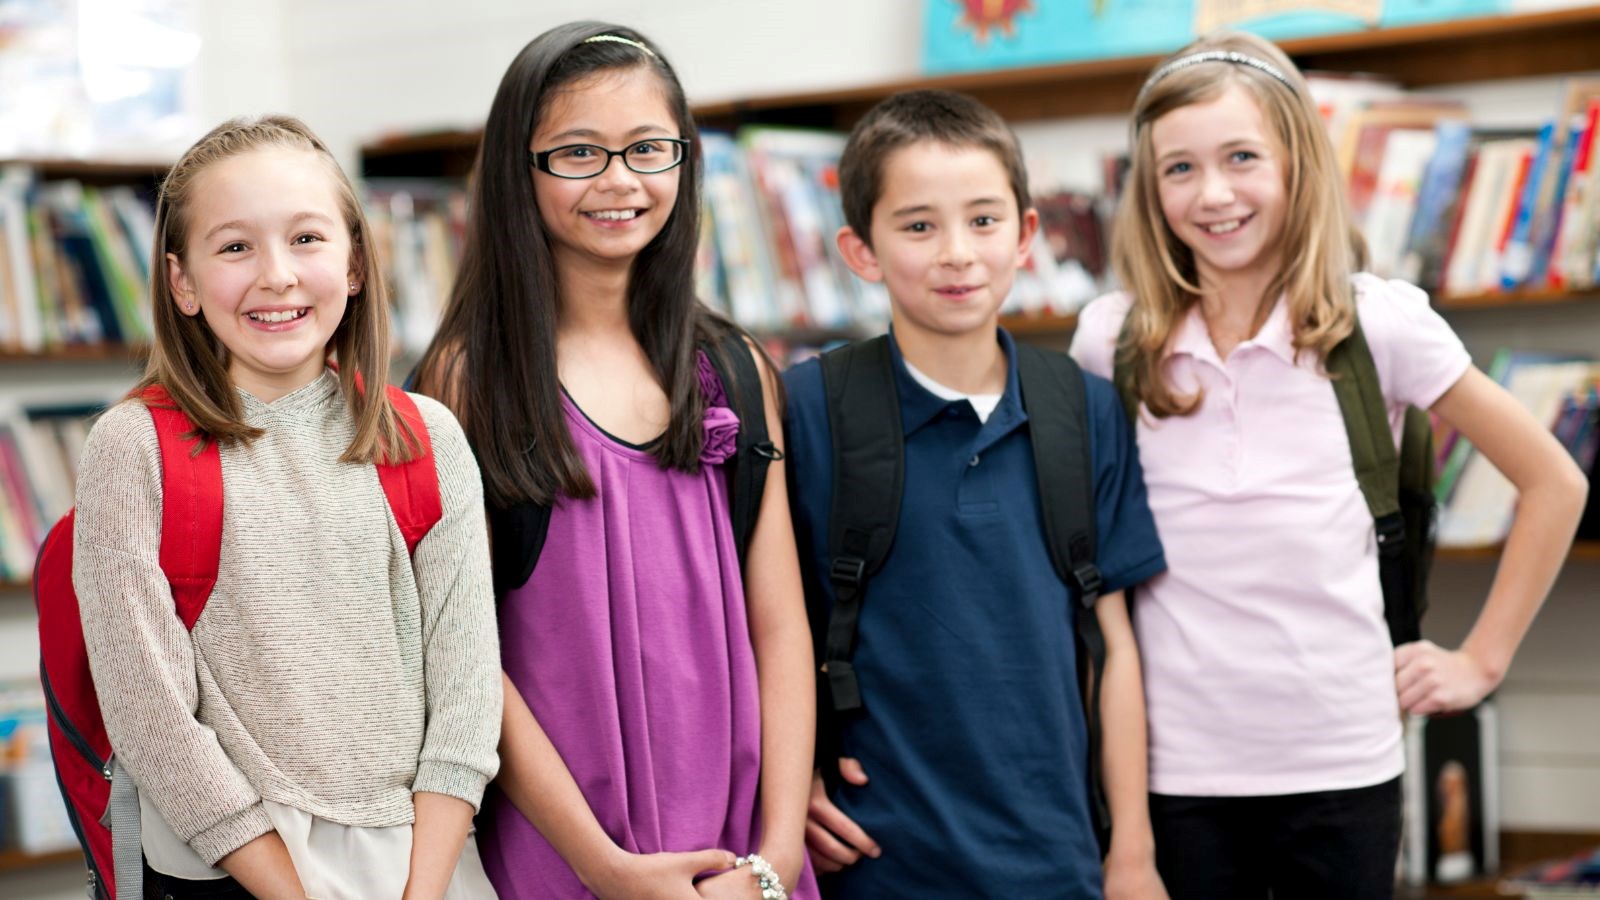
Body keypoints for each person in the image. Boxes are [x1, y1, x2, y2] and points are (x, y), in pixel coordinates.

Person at [1069, 31, 1589, 899]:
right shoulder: (1112, 341)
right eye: (1180, 169)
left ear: (1298, 167)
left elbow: (1555, 480)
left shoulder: (1378, 324)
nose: (1216, 194)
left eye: (1242, 158)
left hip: (1343, 764)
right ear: (1150, 190)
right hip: (1174, 771)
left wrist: (1481, 661)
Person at [412, 22, 818, 900]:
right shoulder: (466, 382)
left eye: (647, 149)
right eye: (578, 153)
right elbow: (466, 658)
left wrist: (777, 857)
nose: (620, 180)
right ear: (520, 172)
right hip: (565, 856)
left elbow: (780, 626)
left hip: (740, 860)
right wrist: (604, 867)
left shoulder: (738, 369)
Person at [72, 115, 501, 899]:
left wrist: (426, 887)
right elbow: (153, 722)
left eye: (307, 238)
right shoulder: (131, 449)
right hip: (233, 866)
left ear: (357, 263)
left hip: (426, 864)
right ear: (183, 282)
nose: (276, 275)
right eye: (235, 247)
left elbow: (468, 699)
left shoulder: (427, 438)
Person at [786, 89, 1170, 899]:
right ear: (861, 250)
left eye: (984, 220)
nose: (957, 252)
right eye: (919, 225)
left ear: (1027, 234)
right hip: (877, 865)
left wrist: (1132, 852)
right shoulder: (811, 410)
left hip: (1062, 860)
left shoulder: (1083, 407)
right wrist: (788, 796)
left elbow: (1116, 647)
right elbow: (762, 631)